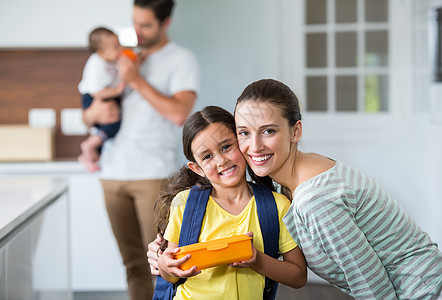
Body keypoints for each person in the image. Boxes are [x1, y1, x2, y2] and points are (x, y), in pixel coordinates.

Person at [149, 79, 442, 299]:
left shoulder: (314, 200)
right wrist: (162, 255)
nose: (254, 146)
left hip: (421, 290)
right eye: (244, 133)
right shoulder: (296, 175)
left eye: (269, 131)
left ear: (296, 131)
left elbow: (372, 286)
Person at [82, 0, 200, 299]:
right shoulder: (114, 55)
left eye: (146, 25)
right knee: (132, 264)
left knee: (163, 264)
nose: (138, 31)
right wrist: (95, 114)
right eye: (135, 23)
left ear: (165, 23)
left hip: (152, 175)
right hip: (112, 173)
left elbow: (179, 114)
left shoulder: (181, 59)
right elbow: (87, 113)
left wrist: (136, 80)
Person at [154, 106, 307, 299]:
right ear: (197, 168)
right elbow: (171, 276)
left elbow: (298, 276)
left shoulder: (277, 206)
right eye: (207, 156)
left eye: (226, 147)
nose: (221, 160)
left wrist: (256, 259)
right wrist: (165, 266)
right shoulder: (184, 204)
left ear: (242, 143)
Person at [78, 27, 126, 172]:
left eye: (120, 44)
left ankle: (88, 155)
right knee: (111, 125)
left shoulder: (109, 59)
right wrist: (117, 90)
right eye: (116, 47)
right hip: (94, 96)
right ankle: (90, 146)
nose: (121, 49)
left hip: (105, 94)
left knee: (106, 127)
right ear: (101, 53)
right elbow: (96, 92)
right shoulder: (96, 65)